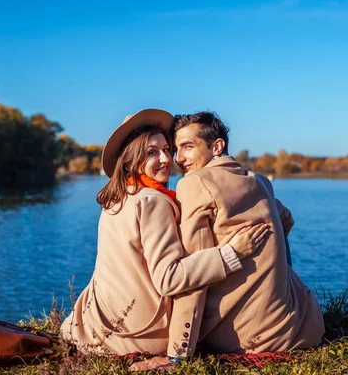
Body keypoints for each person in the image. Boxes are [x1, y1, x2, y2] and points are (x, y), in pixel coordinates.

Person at [60, 108, 269, 356]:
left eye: (166, 150)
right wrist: (231, 253)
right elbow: (168, 279)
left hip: (94, 325)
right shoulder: (153, 202)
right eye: (152, 152)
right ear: (130, 160)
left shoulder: (118, 198)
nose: (167, 160)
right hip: (141, 336)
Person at [134, 111, 324, 370]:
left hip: (247, 338)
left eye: (188, 147)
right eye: (176, 148)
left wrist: (177, 355)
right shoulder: (259, 182)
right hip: (300, 325)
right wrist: (279, 274)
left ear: (217, 146)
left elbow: (193, 277)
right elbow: (286, 220)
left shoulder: (194, 184)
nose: (178, 158)